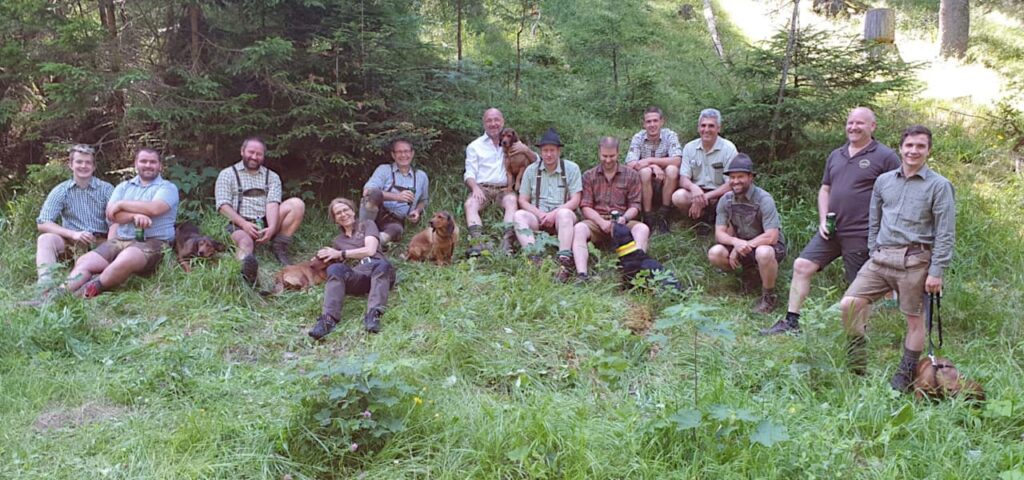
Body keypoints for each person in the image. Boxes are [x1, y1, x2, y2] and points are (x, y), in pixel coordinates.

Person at [761, 107, 901, 335]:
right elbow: (825, 189)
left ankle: (858, 336)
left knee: (858, 286)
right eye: (850, 122)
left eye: (860, 123)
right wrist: (823, 218)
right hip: (832, 230)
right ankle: (791, 322)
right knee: (802, 265)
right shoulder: (837, 155)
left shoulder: (885, 156)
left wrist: (886, 231)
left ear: (872, 126)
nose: (853, 127)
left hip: (862, 232)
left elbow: (898, 194)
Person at [839, 125, 955, 392]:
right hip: (880, 258)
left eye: (920, 146)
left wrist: (936, 271)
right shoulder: (884, 181)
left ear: (928, 150)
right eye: (909, 145)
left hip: (915, 260)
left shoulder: (939, 186)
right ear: (901, 148)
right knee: (849, 304)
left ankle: (904, 373)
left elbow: (945, 232)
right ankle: (857, 361)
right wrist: (872, 251)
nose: (914, 151)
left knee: (914, 319)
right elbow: (874, 220)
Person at [61, 148, 179, 298]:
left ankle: (86, 292)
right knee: (85, 261)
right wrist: (134, 215)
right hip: (121, 239)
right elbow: (112, 215)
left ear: (160, 165)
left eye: (152, 162)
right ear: (136, 164)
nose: (148, 165)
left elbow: (155, 208)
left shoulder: (168, 188)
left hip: (154, 241)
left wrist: (121, 204)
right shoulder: (124, 186)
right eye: (143, 161)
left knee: (127, 257)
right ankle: (58, 294)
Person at [214, 137, 306, 285]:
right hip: (238, 222)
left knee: (297, 204)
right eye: (251, 152)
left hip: (264, 220)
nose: (254, 157)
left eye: (259, 154)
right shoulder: (227, 174)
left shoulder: (272, 176)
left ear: (263, 156)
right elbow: (222, 206)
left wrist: (272, 228)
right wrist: (244, 224)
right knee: (245, 242)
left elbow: (272, 203)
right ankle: (245, 274)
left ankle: (279, 246)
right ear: (242, 151)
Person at [707, 154, 786, 313]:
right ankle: (749, 276)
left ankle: (768, 297)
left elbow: (772, 236)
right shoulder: (726, 200)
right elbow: (719, 234)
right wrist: (736, 243)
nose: (735, 181)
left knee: (764, 253)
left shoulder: (764, 198)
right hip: (742, 244)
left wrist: (741, 246)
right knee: (715, 253)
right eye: (732, 177)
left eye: (740, 176)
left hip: (769, 246)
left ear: (751, 177)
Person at [308, 197, 396, 339]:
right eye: (338, 213)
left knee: (382, 264)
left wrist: (340, 253)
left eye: (345, 210)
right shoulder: (338, 241)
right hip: (358, 276)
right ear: (335, 219)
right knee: (335, 269)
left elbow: (370, 250)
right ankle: (328, 319)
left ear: (353, 211)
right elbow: (330, 261)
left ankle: (373, 314)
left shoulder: (367, 224)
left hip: (380, 270)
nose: (343, 214)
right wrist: (320, 256)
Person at [34, 144, 116, 289]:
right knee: (45, 238)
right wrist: (73, 234)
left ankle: (95, 275)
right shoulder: (61, 190)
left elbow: (115, 221)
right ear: (71, 165)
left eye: (88, 162)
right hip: (71, 243)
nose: (83, 166)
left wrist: (110, 246)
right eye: (79, 162)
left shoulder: (106, 189)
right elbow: (43, 222)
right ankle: (45, 284)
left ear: (94, 166)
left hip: (100, 241)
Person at [572, 136, 648, 281]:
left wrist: (624, 218)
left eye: (611, 156)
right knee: (579, 229)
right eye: (604, 156)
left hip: (622, 222)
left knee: (642, 229)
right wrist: (601, 222)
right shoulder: (589, 176)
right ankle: (582, 274)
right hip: (597, 221)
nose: (608, 160)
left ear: (618, 153)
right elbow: (585, 206)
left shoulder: (631, 175)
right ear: (599, 153)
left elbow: (635, 205)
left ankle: (634, 272)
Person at [512, 128, 582, 281]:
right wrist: (540, 214)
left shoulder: (571, 168)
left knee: (564, 214)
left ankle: (565, 261)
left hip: (562, 217)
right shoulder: (531, 170)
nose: (548, 154)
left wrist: (554, 214)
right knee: (518, 215)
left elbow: (575, 200)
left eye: (552, 150)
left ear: (559, 151)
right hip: (539, 216)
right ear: (541, 152)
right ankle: (534, 258)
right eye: (545, 151)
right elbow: (523, 199)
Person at [464, 107, 535, 256]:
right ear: (484, 124)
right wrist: (474, 188)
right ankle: (477, 243)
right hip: (483, 188)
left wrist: (526, 150)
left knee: (511, 201)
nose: (493, 123)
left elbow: (538, 163)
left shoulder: (516, 144)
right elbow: (469, 173)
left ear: (502, 122)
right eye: (489, 120)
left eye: (496, 120)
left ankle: (507, 243)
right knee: (470, 204)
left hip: (505, 188)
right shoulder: (475, 146)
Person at [671, 108, 739, 234]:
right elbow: (683, 178)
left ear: (718, 128)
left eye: (711, 126)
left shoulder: (729, 148)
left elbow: (732, 183)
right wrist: (694, 188)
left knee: (731, 198)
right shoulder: (689, 148)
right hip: (697, 193)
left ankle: (719, 222)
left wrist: (706, 197)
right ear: (698, 128)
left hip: (720, 194)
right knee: (678, 196)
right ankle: (699, 220)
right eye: (703, 125)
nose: (706, 130)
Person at [358, 138, 429, 248]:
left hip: (395, 220)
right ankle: (360, 233)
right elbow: (367, 191)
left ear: (412, 153)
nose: (403, 155)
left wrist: (417, 211)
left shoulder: (421, 176)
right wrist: (397, 197)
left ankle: (372, 244)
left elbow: (423, 200)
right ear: (393, 155)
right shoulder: (384, 170)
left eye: (406, 151)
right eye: (399, 152)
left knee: (396, 230)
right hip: (376, 213)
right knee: (374, 194)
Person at [624, 106, 683, 233]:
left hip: (666, 183)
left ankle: (664, 214)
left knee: (672, 169)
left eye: (655, 121)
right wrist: (653, 166)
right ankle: (648, 215)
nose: (652, 125)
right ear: (644, 124)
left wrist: (650, 160)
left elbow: (677, 160)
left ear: (662, 121)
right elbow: (630, 163)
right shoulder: (638, 137)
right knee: (645, 172)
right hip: (645, 183)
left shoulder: (670, 135)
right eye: (648, 121)